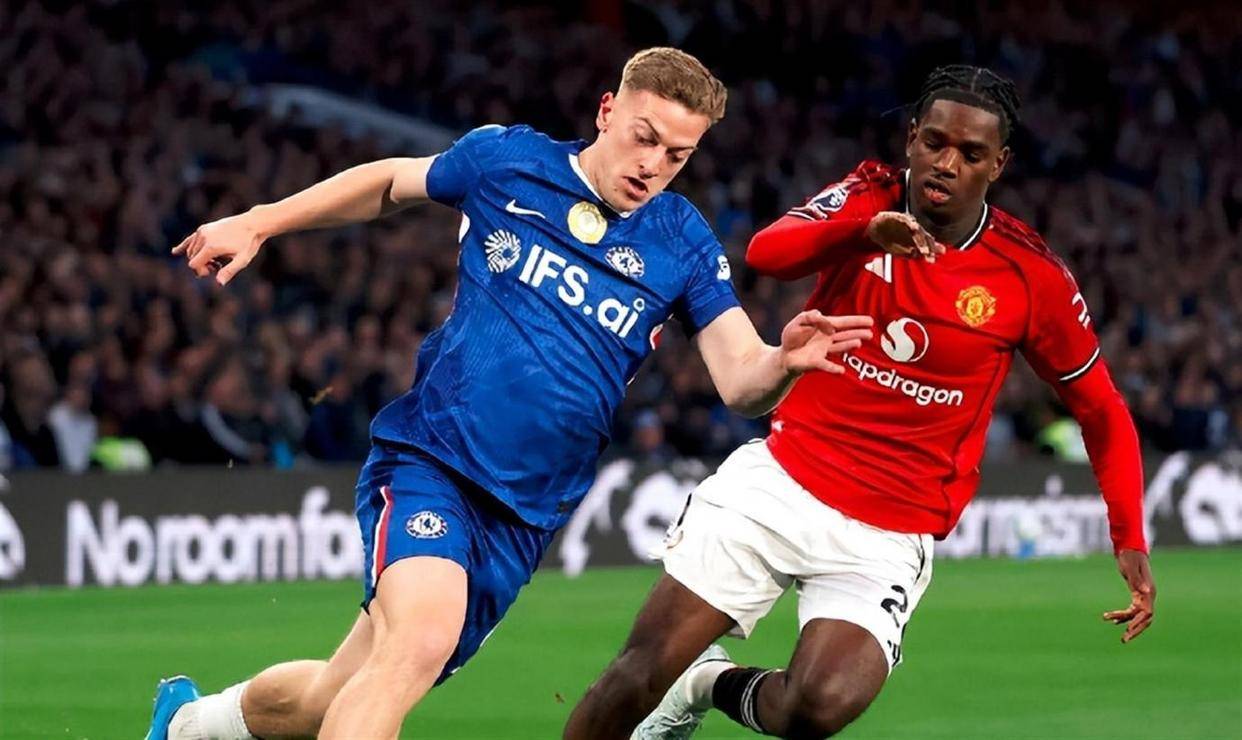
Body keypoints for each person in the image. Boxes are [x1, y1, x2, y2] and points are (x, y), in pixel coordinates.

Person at [143, 47, 874, 740]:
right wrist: (260, 221)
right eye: (644, 137)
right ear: (607, 111)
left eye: (677, 155)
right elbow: (391, 182)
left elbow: (741, 381)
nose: (653, 165)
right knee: (417, 643)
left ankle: (190, 724)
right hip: (433, 461)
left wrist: (783, 362)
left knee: (334, 695)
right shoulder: (510, 162)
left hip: (522, 516)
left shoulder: (681, 240)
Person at [565, 65, 1156, 740]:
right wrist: (863, 232)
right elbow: (767, 253)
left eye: (970, 154)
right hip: (784, 480)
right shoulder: (868, 194)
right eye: (935, 142)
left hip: (891, 528)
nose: (946, 163)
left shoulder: (1029, 276)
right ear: (912, 138)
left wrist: (1129, 536)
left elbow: (1101, 408)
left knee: (816, 706)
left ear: (999, 164)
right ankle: (672, 678)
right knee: (638, 673)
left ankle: (704, 682)